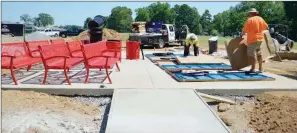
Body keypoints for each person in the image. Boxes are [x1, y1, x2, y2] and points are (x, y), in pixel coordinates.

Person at [241, 8, 268, 73]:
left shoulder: (249, 20)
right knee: (259, 53)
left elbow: (244, 30)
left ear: (251, 13)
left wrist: (241, 35)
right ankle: (261, 68)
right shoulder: (261, 19)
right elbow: (266, 27)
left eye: (249, 13)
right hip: (260, 39)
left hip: (252, 39)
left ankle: (253, 69)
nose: (248, 14)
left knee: (252, 54)